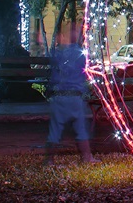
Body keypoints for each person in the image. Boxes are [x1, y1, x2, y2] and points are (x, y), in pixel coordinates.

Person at [44, 24, 94, 164]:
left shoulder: (59, 54)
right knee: (81, 128)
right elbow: (85, 72)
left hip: (58, 95)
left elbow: (54, 72)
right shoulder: (80, 54)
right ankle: (86, 157)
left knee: (55, 130)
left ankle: (49, 159)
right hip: (74, 96)